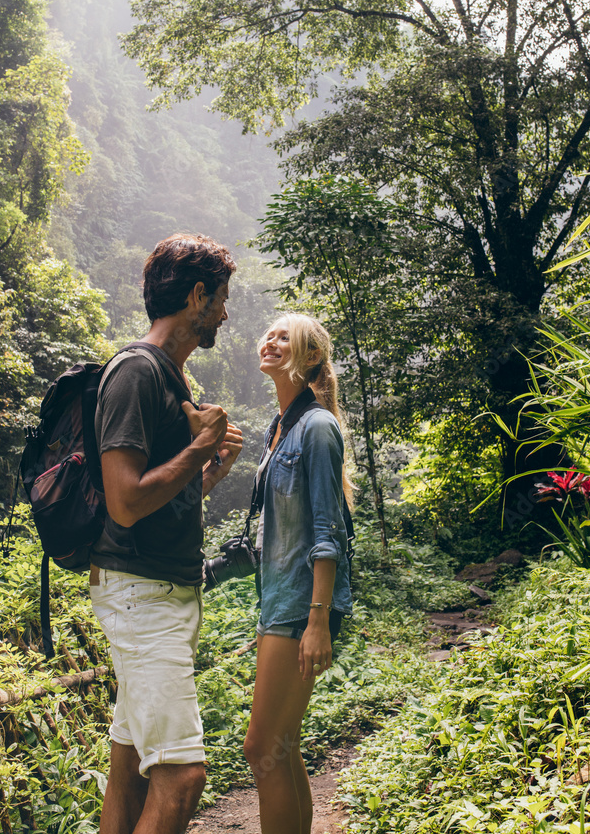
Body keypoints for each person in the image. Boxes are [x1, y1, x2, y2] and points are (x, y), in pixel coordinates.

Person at [89, 233, 243, 834]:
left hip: (158, 593)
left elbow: (158, 500)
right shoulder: (135, 372)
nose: (227, 313)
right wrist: (201, 443)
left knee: (128, 769)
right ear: (197, 296)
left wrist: (208, 471)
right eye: (222, 298)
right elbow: (125, 503)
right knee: (181, 777)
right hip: (141, 597)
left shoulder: (171, 378)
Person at [243, 313, 353, 834]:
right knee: (281, 746)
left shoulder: (317, 427)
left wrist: (318, 620)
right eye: (270, 333)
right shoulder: (279, 430)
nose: (271, 340)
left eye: (285, 337)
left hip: (299, 609)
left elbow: (329, 531)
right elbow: (273, 534)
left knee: (262, 746)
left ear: (310, 358)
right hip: (280, 604)